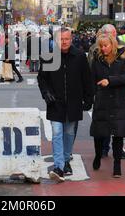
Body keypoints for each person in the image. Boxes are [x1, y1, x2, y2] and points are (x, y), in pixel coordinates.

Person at [37, 28, 94, 182]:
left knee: (69, 133)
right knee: (56, 133)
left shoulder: (80, 56)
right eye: (61, 39)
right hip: (55, 102)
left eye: (67, 39)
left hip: (74, 102)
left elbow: (87, 79)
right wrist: (46, 93)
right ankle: (58, 167)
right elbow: (42, 78)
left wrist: (89, 99)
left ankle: (66, 159)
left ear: (71, 39)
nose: (64, 42)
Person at [88, 24, 125, 159]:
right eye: (109, 33)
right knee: (103, 123)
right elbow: (91, 70)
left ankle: (118, 151)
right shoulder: (96, 49)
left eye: (114, 33)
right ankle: (104, 148)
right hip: (102, 93)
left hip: (119, 92)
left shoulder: (124, 48)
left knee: (118, 124)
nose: (112, 35)